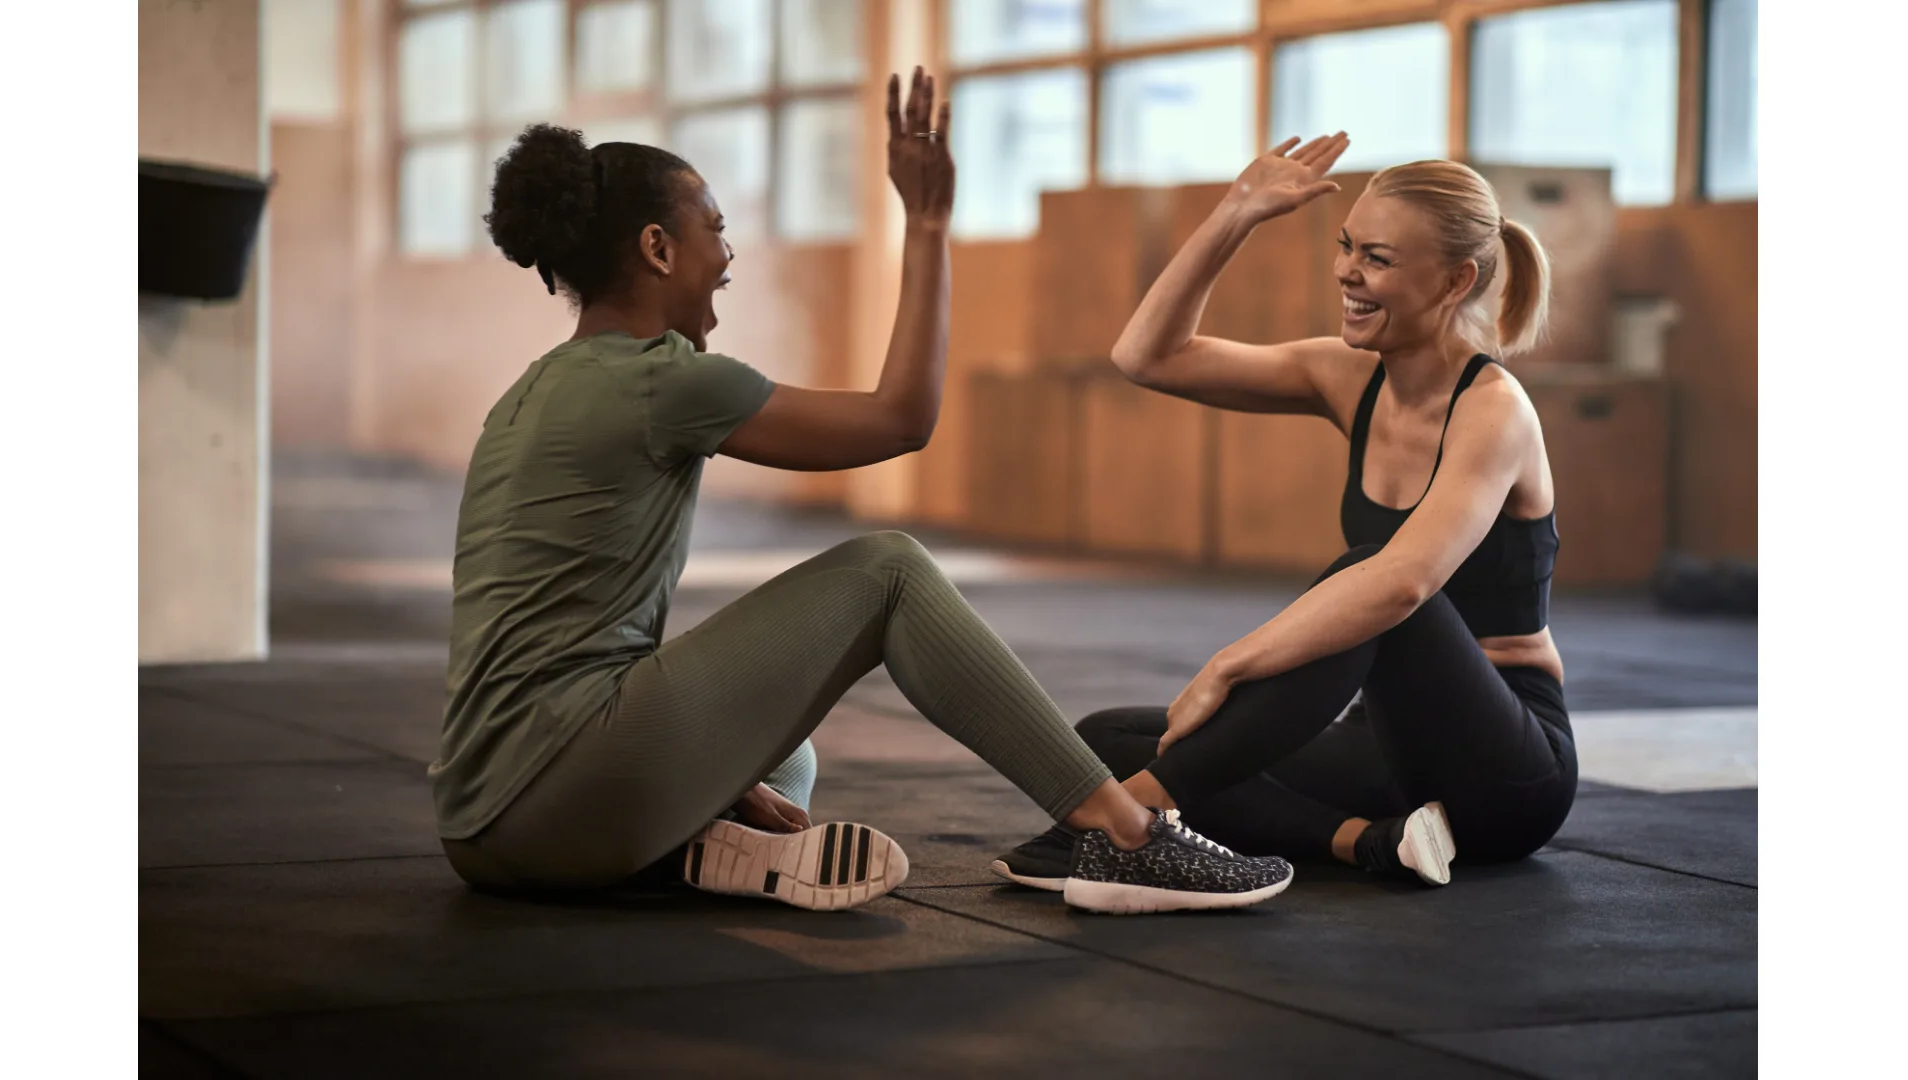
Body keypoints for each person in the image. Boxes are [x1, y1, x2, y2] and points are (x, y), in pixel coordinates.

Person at [429, 68, 1292, 915]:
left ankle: (697, 844)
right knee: (888, 570)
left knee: (785, 755)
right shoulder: (666, 381)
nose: (727, 253)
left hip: (483, 827)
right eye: (715, 229)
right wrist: (926, 221)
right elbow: (901, 421)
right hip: (560, 789)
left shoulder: (529, 394)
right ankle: (1124, 835)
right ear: (658, 248)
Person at [993, 134, 1576, 891]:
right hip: (1384, 754)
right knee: (1106, 739)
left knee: (1371, 576)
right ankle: (1368, 843)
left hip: (1505, 773)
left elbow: (1404, 582)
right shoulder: (1346, 376)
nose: (1346, 272)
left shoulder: (1495, 412)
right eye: (1345, 247)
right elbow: (1147, 357)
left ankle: (1130, 823)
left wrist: (1228, 667)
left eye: (1378, 258)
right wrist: (1237, 213)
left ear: (1455, 279)